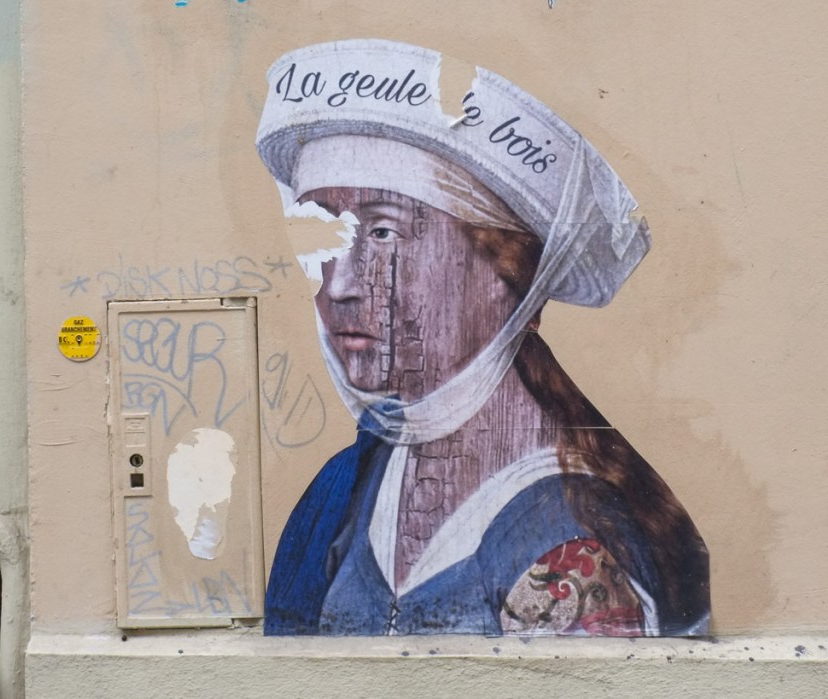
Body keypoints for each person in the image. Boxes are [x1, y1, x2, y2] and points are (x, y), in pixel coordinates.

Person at [256, 40, 710, 637]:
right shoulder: (348, 487)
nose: (338, 282)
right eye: (322, 235)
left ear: (504, 270)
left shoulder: (570, 548)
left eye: (385, 232)